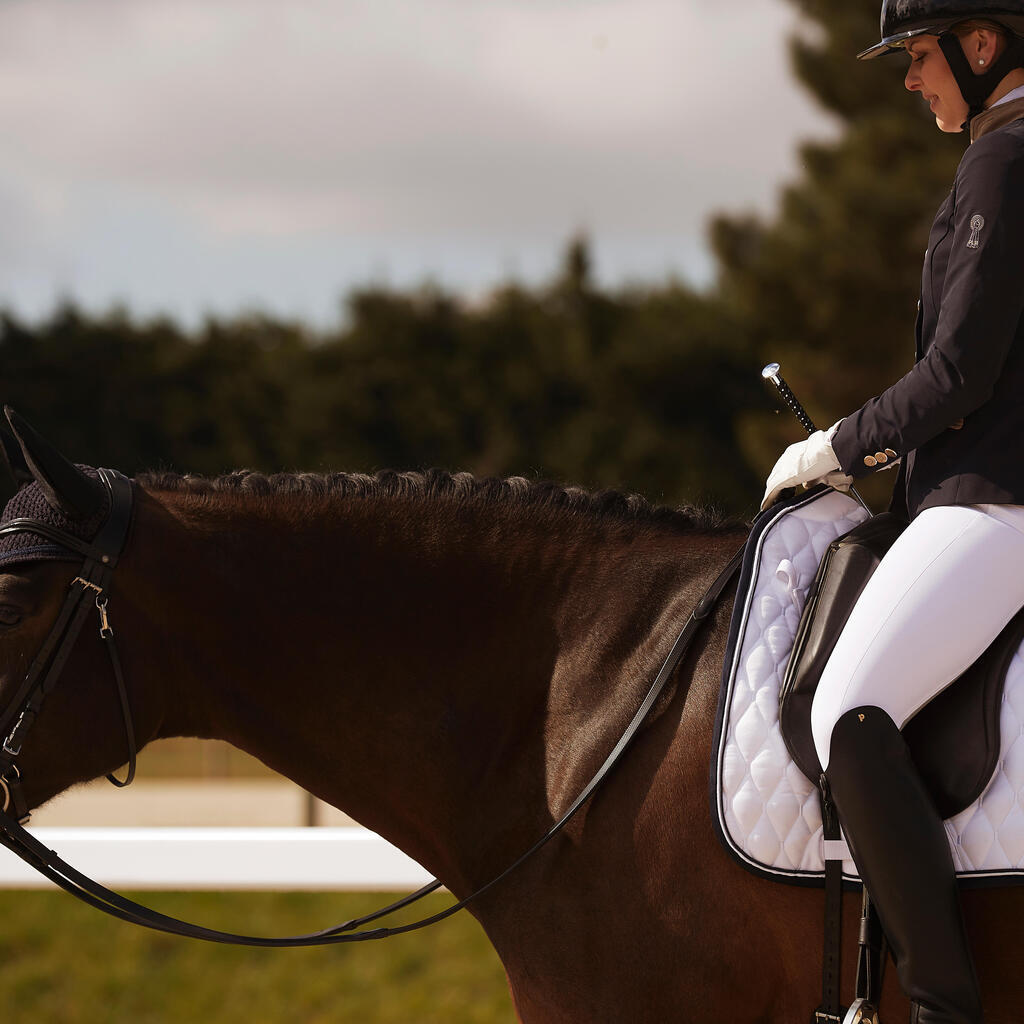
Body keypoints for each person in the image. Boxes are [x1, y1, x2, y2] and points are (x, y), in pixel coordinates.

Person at [760, 3, 1024, 1022]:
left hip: (1001, 499)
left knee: (847, 709)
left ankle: (941, 1006)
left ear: (982, 44)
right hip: (972, 488)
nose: (912, 81)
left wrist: (837, 444)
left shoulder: (1004, 165)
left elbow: (956, 374)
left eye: (919, 57)